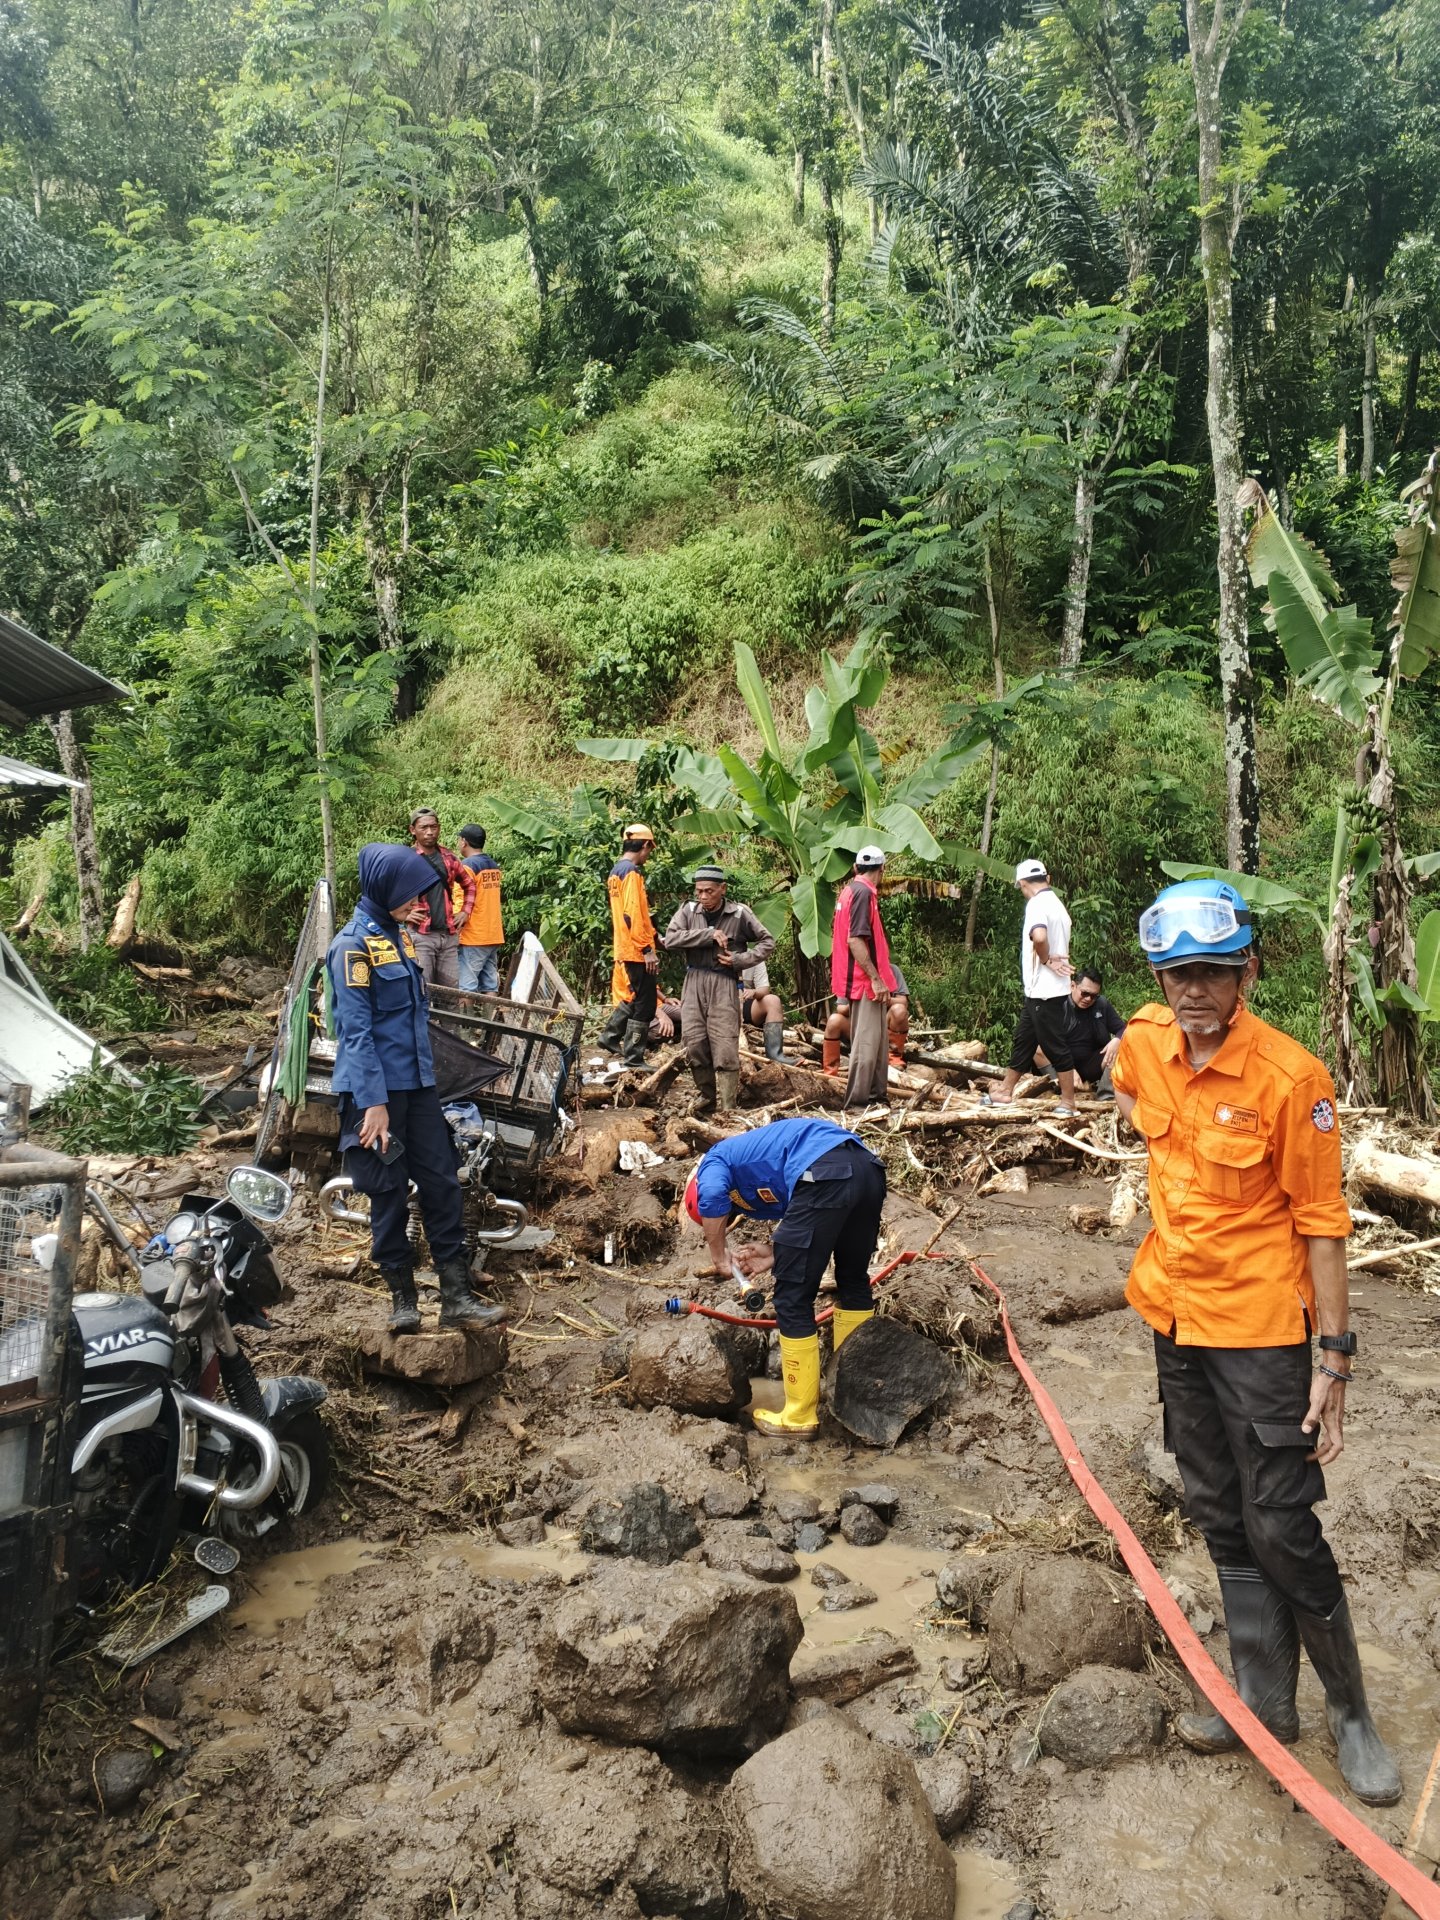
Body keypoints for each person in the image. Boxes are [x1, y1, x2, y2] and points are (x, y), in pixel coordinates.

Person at [1112, 878, 1399, 1807]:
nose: (1193, 990)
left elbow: (1322, 1223)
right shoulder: (1150, 1045)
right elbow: (1128, 1093)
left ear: (1246, 972)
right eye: (1177, 973)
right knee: (1219, 1511)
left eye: (1212, 972)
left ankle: (1350, 1714)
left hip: (1266, 1337)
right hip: (1176, 1318)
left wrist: (1336, 1361)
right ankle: (1264, 1704)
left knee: (1282, 1521)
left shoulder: (1292, 1079)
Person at [326, 844, 506, 1338]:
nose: (419, 903)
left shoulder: (401, 939)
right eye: (409, 896)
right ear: (385, 890)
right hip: (378, 1095)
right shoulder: (352, 948)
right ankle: (402, 1300)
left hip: (420, 1088)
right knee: (386, 1193)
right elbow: (356, 1033)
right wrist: (374, 1105)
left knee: (443, 1184)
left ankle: (455, 1297)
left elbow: (413, 1019)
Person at [683, 1117, 886, 1439]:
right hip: (867, 1169)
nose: (733, 1210)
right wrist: (777, 1251)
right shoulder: (762, 1158)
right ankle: (853, 1394)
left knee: (792, 1298)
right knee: (852, 1281)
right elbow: (815, 1218)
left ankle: (799, 1416)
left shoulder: (714, 1160)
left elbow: (710, 1195)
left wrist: (719, 1254)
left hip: (823, 1173)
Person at [661, 866, 775, 1113]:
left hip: (724, 982)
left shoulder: (739, 913)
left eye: (709, 891)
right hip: (693, 980)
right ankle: (707, 1096)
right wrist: (708, 935)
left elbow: (767, 942)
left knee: (724, 1042)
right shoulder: (688, 911)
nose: (703, 897)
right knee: (694, 1041)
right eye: (699, 891)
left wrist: (740, 960)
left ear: (722, 889)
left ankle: (727, 1106)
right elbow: (670, 940)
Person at [985, 859, 1076, 1116]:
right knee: (1024, 1040)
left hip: (1044, 991)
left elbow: (1040, 937)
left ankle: (1068, 1102)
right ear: (1047, 879)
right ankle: (1005, 1091)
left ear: (1023, 884)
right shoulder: (1057, 904)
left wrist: (1046, 959)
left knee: (1054, 1044)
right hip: (1043, 991)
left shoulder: (1037, 904)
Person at [830, 847, 897, 1111]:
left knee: (878, 1045)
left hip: (863, 979)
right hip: (863, 981)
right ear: (882, 869)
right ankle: (857, 1104)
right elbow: (855, 940)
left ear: (856, 868)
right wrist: (875, 979)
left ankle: (876, 1098)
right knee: (866, 1045)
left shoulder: (851, 891)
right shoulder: (862, 893)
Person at [595, 824, 660, 1068]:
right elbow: (631, 913)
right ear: (645, 845)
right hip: (636, 949)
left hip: (625, 945)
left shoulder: (615, 872)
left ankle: (610, 1036)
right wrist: (647, 949)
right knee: (646, 1004)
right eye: (649, 850)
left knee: (637, 995)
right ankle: (634, 1057)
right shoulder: (631, 872)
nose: (648, 856)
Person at [1017, 966, 1125, 1094]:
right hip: (1059, 1065)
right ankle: (1059, 1088)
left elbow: (1125, 1028)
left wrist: (1117, 1039)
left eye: (1093, 996)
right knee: (1037, 1047)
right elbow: (1045, 1041)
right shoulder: (1057, 1005)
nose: (1088, 999)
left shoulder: (1101, 1005)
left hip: (1090, 1064)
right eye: (1085, 993)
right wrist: (1069, 1070)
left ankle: (1106, 1096)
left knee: (1120, 1046)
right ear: (1072, 986)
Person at [407, 808, 476, 989]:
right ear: (413, 830)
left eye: (434, 827)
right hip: (421, 935)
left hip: (448, 935)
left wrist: (465, 912)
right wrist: (404, 915)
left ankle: (449, 1019)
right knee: (423, 989)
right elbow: (386, 892)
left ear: (439, 828)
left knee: (451, 993)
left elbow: (469, 884)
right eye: (424, 827)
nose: (429, 832)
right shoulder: (405, 859)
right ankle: (425, 1019)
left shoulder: (449, 858)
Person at [823, 964, 911, 1075]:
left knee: (899, 1010)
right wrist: (857, 1001)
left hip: (883, 1026)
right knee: (833, 1020)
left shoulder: (892, 970)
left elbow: (903, 1002)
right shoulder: (850, 972)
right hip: (857, 1025)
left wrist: (881, 997)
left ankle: (894, 1057)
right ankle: (830, 1070)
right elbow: (840, 1007)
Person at [456, 824, 503, 995]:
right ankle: (488, 1022)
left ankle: (465, 1022)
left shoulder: (467, 867)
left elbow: (459, 901)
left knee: (466, 987)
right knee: (490, 985)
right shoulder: (493, 866)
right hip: (493, 933)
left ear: (464, 842)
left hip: (474, 935)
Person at [741, 960, 787, 1063]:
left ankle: (775, 1056)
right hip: (718, 1007)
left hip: (743, 1004)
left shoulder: (754, 956)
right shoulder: (712, 954)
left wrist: (753, 992)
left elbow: (764, 989)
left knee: (773, 1000)